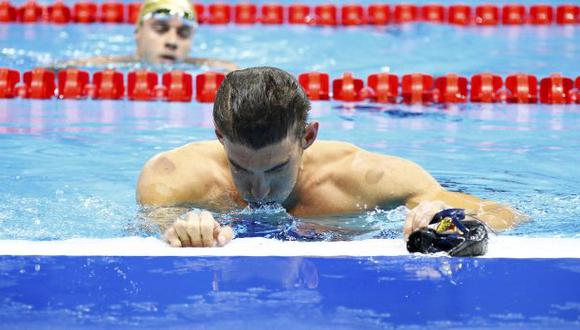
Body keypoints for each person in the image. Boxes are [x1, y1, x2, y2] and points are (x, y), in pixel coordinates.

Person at [136, 66, 524, 248]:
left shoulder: (366, 177)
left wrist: (444, 217)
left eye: (275, 167)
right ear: (220, 137)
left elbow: (511, 215)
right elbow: (146, 229)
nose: (258, 188)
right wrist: (178, 229)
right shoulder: (171, 177)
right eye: (240, 167)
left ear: (307, 137)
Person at [59, 0, 237, 70]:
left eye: (183, 33)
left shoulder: (218, 68)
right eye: (160, 29)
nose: (172, 41)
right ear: (138, 32)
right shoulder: (99, 65)